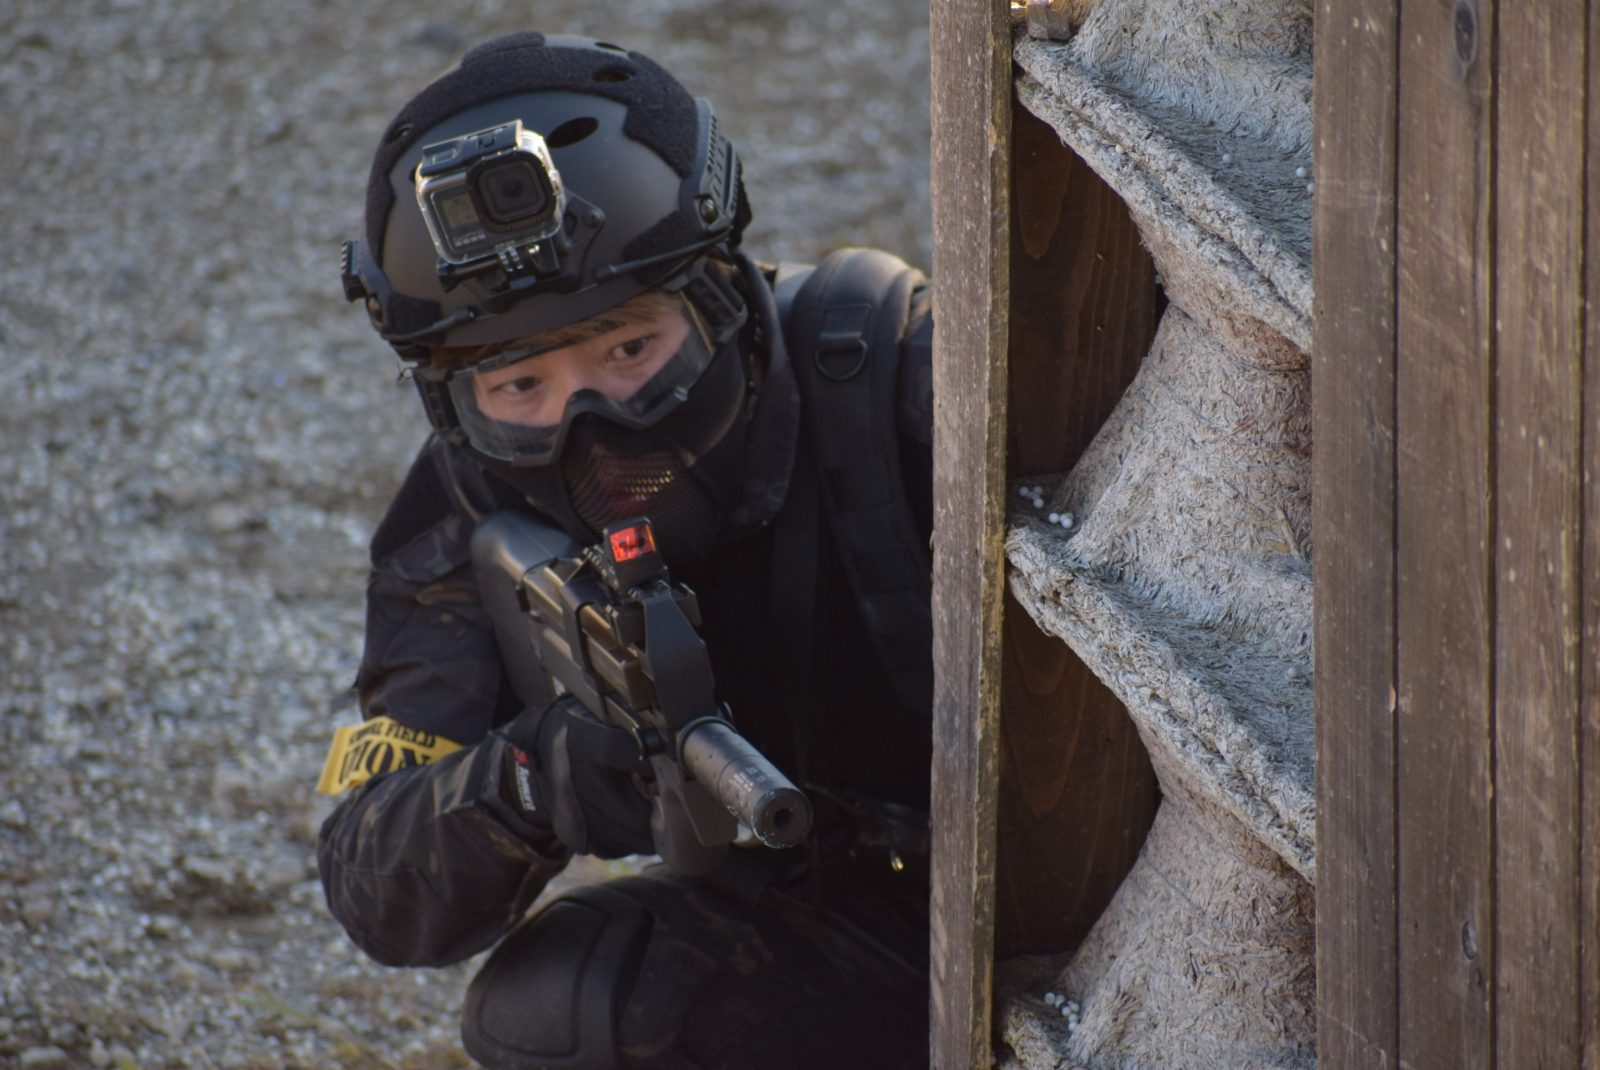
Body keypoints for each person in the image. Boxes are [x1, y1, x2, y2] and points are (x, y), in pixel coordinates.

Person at [315, 30, 935, 1070]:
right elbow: (371, 877)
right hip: (849, 937)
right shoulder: (471, 494)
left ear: (724, 301)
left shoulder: (903, 384)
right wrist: (534, 779)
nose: (591, 427)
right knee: (571, 1008)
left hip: (1081, 903)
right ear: (454, 404)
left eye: (630, 348)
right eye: (521, 385)